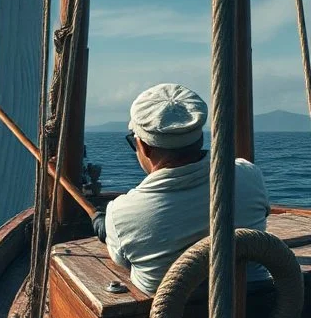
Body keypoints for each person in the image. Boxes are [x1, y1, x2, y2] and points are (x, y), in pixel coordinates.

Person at [91, 83, 270, 295]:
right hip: (263, 312)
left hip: (168, 317)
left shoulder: (121, 214)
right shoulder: (249, 176)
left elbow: (121, 259)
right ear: (200, 138)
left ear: (144, 147)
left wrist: (106, 227)